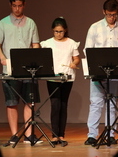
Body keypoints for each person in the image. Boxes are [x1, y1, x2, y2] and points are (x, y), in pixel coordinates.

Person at [0, 0, 43, 144]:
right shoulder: (3, 23)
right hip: (10, 70)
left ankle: (28, 135)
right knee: (12, 102)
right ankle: (14, 134)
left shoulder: (31, 22)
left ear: (24, 5)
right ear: (10, 5)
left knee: (29, 102)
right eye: (14, 6)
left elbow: (35, 44)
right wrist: (2, 58)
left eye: (20, 6)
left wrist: (35, 57)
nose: (17, 9)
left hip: (28, 70)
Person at [83, 0, 118, 145]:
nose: (111, 17)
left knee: (112, 103)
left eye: (114, 15)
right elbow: (87, 50)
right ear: (104, 12)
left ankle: (111, 134)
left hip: (116, 73)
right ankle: (92, 135)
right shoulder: (94, 28)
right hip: (98, 72)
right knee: (96, 103)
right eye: (109, 14)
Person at [40, 17, 80, 145]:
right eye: (56, 31)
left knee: (63, 105)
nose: (58, 34)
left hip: (67, 78)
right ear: (53, 30)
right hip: (52, 77)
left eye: (61, 31)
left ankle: (61, 135)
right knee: (55, 105)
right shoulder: (47, 43)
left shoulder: (71, 43)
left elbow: (77, 59)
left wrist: (74, 63)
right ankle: (54, 135)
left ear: (65, 30)